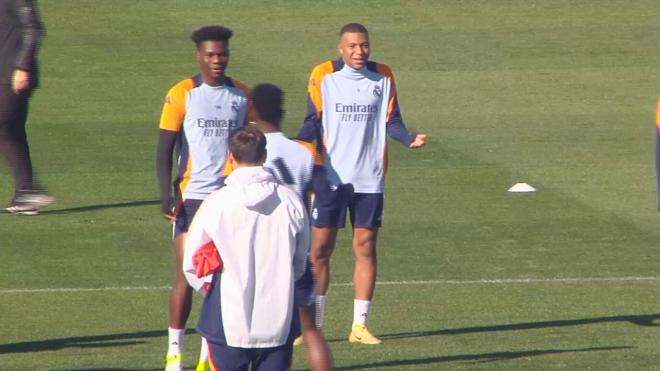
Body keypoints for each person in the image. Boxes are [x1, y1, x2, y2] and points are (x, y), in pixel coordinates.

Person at [298, 22, 427, 345]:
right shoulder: (323, 75)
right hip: (330, 179)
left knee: (366, 247)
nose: (359, 51)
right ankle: (314, 325)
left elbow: (392, 121)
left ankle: (359, 326)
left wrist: (408, 138)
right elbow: (312, 121)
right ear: (340, 48)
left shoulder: (383, 76)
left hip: (370, 177)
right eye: (353, 46)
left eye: (364, 45)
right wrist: (297, 148)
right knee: (320, 251)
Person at [156, 25, 250, 371]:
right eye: (210, 55)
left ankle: (207, 354)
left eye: (222, 54)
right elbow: (165, 149)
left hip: (228, 198)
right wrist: (166, 195)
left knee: (222, 278)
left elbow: (254, 144)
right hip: (192, 199)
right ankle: (174, 351)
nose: (217, 60)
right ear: (199, 55)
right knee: (187, 273)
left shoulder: (242, 95)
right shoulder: (182, 93)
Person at [183, 126, 310, 371]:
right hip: (279, 318)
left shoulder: (217, 202)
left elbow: (191, 263)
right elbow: (301, 260)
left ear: (230, 157)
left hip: (226, 319)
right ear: (264, 156)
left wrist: (214, 291)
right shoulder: (290, 200)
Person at [250, 83, 332, 370]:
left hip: (258, 254)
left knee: (255, 335)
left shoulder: (246, 151)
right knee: (310, 330)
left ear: (252, 111)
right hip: (296, 250)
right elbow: (328, 192)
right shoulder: (305, 151)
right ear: (282, 112)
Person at [0, 0, 54, 215]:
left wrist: (22, 66)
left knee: (4, 129)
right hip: (4, 74)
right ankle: (26, 193)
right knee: (11, 133)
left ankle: (27, 192)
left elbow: (34, 28)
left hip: (13, 76)